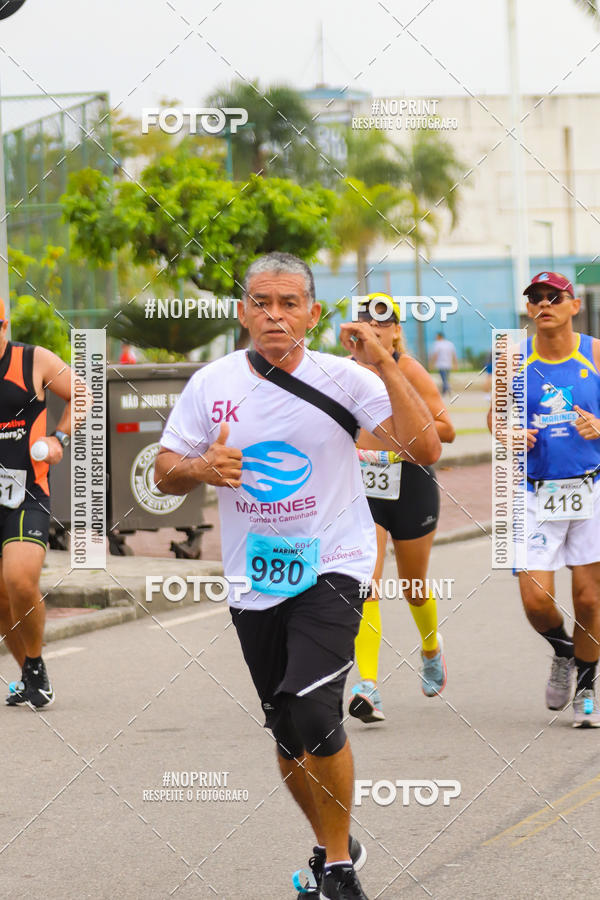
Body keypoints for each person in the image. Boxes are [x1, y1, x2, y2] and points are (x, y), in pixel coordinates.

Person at [154, 253, 441, 900]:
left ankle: (337, 867)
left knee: (314, 708)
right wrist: (199, 469)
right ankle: (333, 842)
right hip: (254, 577)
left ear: (313, 314)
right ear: (243, 312)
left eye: (289, 304)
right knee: (287, 730)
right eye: (262, 302)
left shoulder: (346, 377)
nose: (275, 315)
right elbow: (163, 471)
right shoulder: (211, 383)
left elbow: (424, 448)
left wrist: (385, 361)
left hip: (335, 562)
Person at [487, 271, 600, 728]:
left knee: (589, 600)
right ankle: (564, 651)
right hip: (534, 493)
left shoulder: (595, 353)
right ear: (528, 308)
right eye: (536, 297)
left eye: (555, 296)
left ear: (575, 305)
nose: (545, 303)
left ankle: (587, 686)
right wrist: (508, 433)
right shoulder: (513, 359)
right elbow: (495, 417)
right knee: (535, 600)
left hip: (591, 489)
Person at [348, 297, 455, 723]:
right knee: (367, 583)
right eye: (364, 320)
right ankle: (367, 686)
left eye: (382, 321)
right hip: (365, 490)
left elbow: (446, 429)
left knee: (413, 585)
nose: (372, 328)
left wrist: (400, 442)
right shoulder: (346, 372)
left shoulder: (408, 369)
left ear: (396, 331)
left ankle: (430, 648)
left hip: (411, 484)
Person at [0, 298, 74, 708]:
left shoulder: (32, 360)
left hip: (27, 493)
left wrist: (58, 437)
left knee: (19, 580)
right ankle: (32, 675)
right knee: (1, 602)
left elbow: (82, 394)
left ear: (4, 326)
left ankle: (33, 666)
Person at [429, 332, 457, 396]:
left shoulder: (437, 344)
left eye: (436, 336)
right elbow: (454, 355)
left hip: (441, 365)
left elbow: (435, 355)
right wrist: (455, 364)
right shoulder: (450, 344)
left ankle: (449, 390)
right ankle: (444, 392)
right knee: (446, 378)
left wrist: (432, 364)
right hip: (448, 364)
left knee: (444, 379)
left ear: (439, 337)